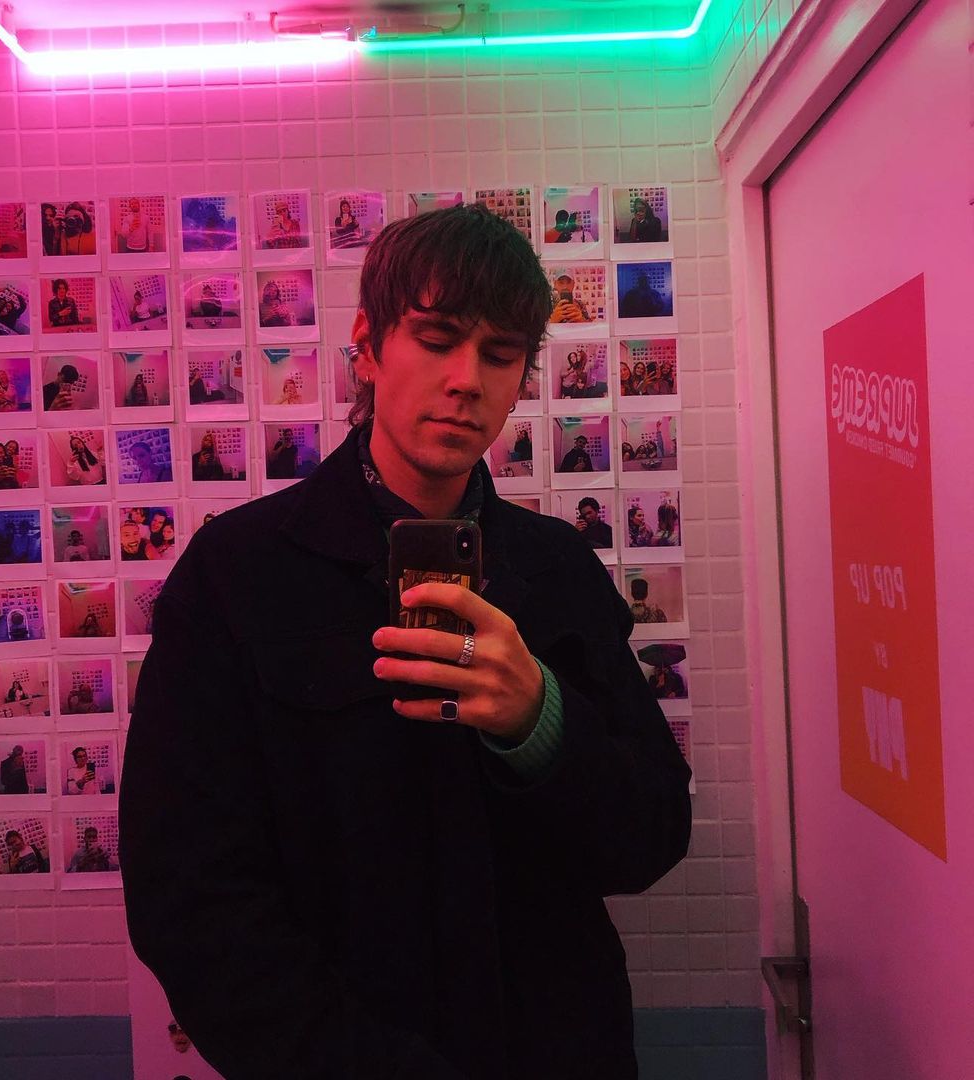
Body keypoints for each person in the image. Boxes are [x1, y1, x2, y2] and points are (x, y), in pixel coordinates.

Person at [120, 202, 691, 1080]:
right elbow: (187, 895)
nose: (467, 379)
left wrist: (541, 722)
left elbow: (650, 836)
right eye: (436, 338)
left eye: (500, 353)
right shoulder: (238, 574)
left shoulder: (559, 571)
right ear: (368, 345)